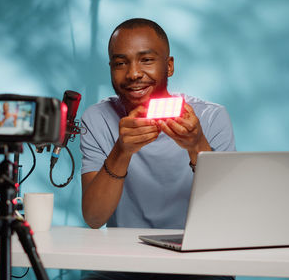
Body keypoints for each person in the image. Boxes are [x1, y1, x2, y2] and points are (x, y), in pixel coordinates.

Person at [80, 18, 235, 280]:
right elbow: (94, 218)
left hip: (198, 265)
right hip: (123, 267)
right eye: (120, 63)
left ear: (170, 65)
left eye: (146, 60)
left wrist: (197, 147)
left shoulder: (211, 117)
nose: (133, 74)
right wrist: (121, 151)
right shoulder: (97, 118)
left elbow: (229, 215)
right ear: (110, 68)